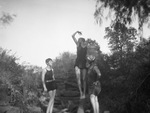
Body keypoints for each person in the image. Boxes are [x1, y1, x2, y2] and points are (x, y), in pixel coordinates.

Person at [72, 31, 88, 99]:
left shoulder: (85, 45)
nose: (78, 41)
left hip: (84, 62)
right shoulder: (77, 45)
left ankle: (84, 93)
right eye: (78, 40)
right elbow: (72, 36)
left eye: (80, 40)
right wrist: (77, 32)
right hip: (77, 63)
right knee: (78, 78)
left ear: (83, 41)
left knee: (84, 79)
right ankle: (81, 93)